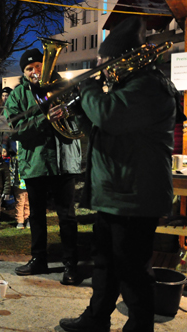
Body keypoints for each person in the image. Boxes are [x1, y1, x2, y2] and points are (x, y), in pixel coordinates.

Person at [59, 17, 177, 332]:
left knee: (133, 271)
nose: (103, 65)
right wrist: (80, 114)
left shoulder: (149, 86)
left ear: (127, 56)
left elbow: (110, 116)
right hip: (117, 192)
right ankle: (96, 319)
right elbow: (103, 131)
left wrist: (88, 88)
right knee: (106, 265)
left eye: (107, 59)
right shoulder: (129, 87)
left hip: (136, 195)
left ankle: (140, 327)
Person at [4, 48, 82, 285]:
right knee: (36, 215)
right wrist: (45, 118)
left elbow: (81, 121)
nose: (35, 71)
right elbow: (14, 130)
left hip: (64, 161)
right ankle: (39, 259)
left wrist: (70, 113)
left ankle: (71, 265)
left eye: (38, 66)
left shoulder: (64, 88)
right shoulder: (18, 95)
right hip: (35, 162)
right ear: (24, 73)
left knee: (67, 216)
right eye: (29, 69)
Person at [8, 142, 30, 229]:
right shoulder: (15, 157)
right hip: (19, 183)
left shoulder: (28, 156)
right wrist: (12, 182)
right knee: (20, 202)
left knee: (28, 202)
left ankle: (27, 218)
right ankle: (20, 220)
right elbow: (12, 170)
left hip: (28, 181)